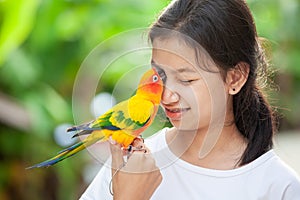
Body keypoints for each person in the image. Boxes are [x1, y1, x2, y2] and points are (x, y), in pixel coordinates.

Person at [80, 0, 300, 199]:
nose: (166, 96)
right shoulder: (132, 165)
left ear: (235, 77)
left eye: (186, 80)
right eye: (160, 76)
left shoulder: (278, 188)